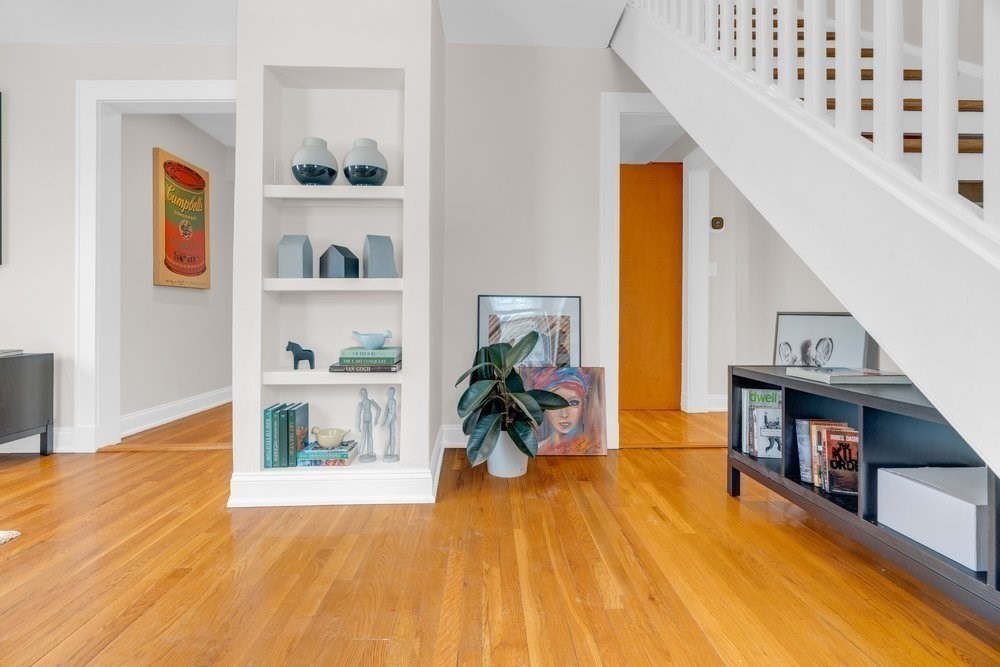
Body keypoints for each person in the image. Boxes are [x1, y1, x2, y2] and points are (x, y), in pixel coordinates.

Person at [531, 367, 593, 455]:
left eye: (573, 403)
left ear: (583, 404)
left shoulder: (593, 448)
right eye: (555, 403)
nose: (564, 414)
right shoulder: (537, 449)